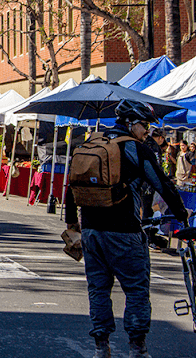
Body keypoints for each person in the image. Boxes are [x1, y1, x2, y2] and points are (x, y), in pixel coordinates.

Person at [65, 100, 190, 358]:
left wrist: (72, 223)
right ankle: (137, 348)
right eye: (145, 125)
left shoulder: (91, 143)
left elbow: (71, 186)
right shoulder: (135, 149)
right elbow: (163, 184)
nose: (147, 131)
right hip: (124, 232)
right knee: (136, 290)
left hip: (90, 232)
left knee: (98, 289)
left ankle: (101, 347)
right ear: (132, 123)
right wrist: (181, 213)